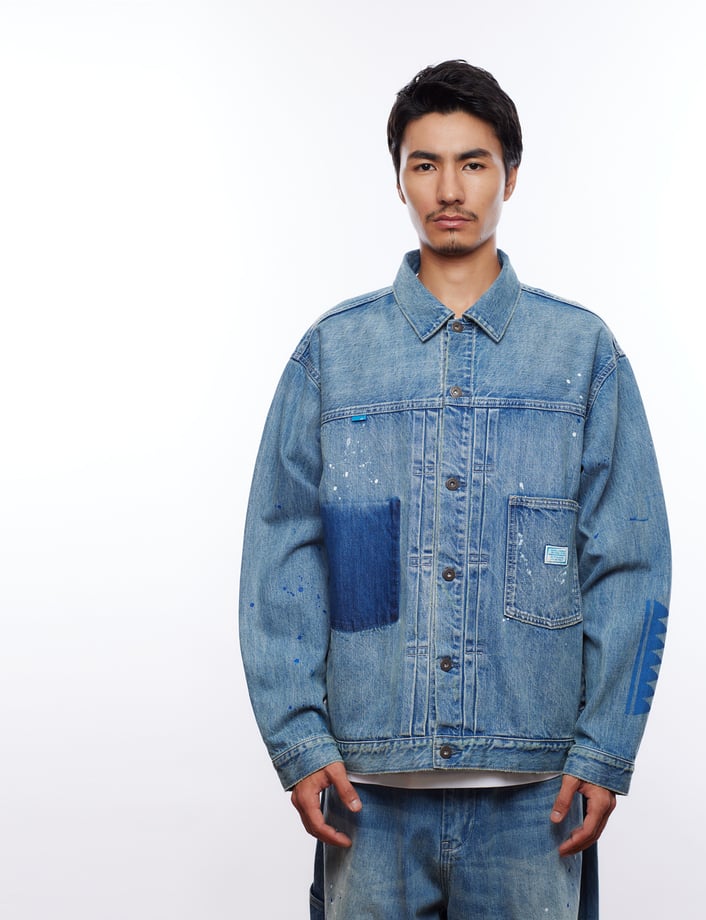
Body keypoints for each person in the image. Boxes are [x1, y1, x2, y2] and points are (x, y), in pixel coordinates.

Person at [239, 60, 671, 919]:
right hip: (368, 789)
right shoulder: (333, 355)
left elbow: (630, 560)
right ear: (398, 177)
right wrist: (299, 738)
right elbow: (282, 554)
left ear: (511, 174)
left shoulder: (580, 353)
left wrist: (605, 747)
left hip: (535, 794)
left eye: (473, 163)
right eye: (425, 163)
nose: (449, 189)